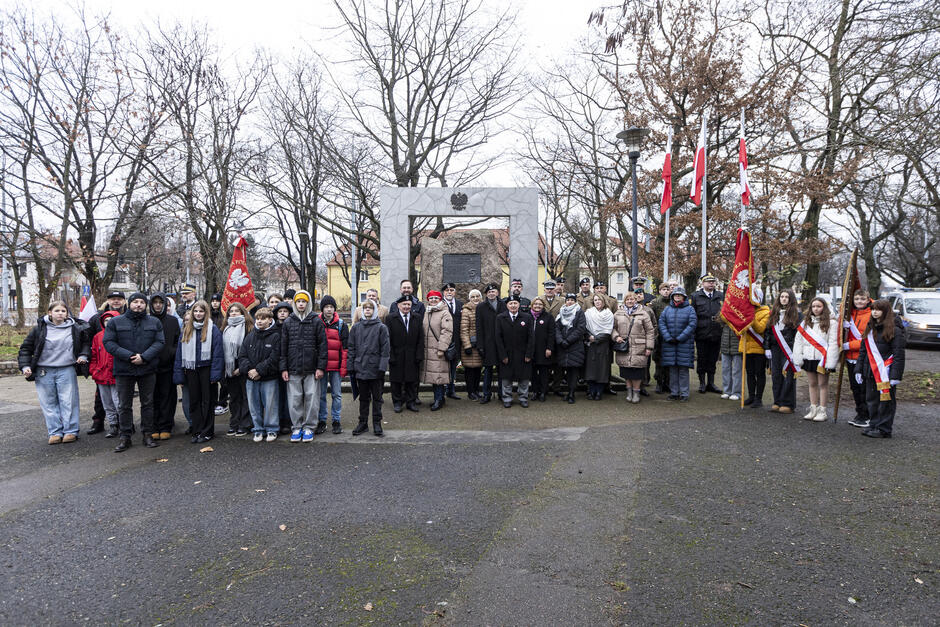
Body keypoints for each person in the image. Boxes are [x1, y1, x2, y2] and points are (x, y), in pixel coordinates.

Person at [18, 301, 91, 444]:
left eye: (63, 311)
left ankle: (70, 431)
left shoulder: (75, 328)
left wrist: (83, 355)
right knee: (48, 402)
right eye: (57, 311)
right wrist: (25, 366)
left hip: (66, 368)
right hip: (44, 370)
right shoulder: (39, 329)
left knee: (68, 401)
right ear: (50, 313)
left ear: (67, 314)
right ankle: (55, 432)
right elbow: (26, 349)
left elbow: (86, 344)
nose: (60, 314)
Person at [104, 292, 166, 451]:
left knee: (147, 403)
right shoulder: (116, 322)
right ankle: (125, 436)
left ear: (146, 305)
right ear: (129, 303)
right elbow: (109, 343)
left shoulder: (154, 322)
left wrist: (144, 357)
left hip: (147, 368)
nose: (138, 305)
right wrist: (130, 356)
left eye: (142, 302)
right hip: (124, 369)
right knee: (124, 405)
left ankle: (147, 434)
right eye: (135, 302)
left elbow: (160, 342)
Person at [280, 290, 328, 442]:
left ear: (308, 303)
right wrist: (284, 368)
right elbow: (283, 347)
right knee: (294, 399)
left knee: (312, 399)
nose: (301, 304)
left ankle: (309, 427)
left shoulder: (316, 321)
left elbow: (322, 346)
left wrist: (320, 367)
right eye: (298, 301)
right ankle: (297, 427)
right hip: (293, 368)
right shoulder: (289, 322)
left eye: (304, 301)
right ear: (294, 303)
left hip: (311, 368)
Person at [174, 300, 224, 443]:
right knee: (194, 401)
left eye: (201, 311)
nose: (198, 314)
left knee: (207, 402)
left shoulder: (213, 329)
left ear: (206, 312)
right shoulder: (186, 329)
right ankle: (196, 430)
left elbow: (218, 352)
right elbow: (179, 353)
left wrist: (216, 373)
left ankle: (207, 431)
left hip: (207, 368)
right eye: (195, 311)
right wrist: (179, 374)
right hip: (190, 369)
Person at [855, 300, 905, 438]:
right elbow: (863, 351)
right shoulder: (870, 327)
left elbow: (899, 354)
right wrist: (858, 369)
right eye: (873, 309)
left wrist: (896, 375)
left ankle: (884, 428)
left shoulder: (895, 329)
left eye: (878, 309)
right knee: (872, 400)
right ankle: (874, 424)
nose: (874, 312)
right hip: (870, 371)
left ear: (885, 311)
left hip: (886, 372)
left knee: (886, 402)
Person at [86, 290, 127, 435]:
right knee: (102, 400)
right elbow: (89, 343)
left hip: (119, 370)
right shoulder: (96, 318)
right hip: (101, 370)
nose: (116, 301)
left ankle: (125, 425)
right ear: (108, 301)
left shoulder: (128, 315)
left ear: (124, 301)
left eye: (119, 299)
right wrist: (93, 369)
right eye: (113, 299)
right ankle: (99, 422)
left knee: (120, 400)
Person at [238, 307, 281, 442]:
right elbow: (242, 356)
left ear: (270, 320)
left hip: (269, 377)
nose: (260, 321)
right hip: (251, 378)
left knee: (270, 405)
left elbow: (274, 358)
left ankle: (272, 429)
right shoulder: (250, 336)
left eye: (263, 319)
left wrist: (259, 371)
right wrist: (250, 370)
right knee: (254, 405)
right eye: (258, 319)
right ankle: (258, 429)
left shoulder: (276, 336)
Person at [347, 299, 390, 436]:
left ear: (375, 310)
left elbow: (385, 349)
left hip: (376, 369)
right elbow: (351, 348)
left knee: (377, 398)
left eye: (370, 308)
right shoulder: (356, 328)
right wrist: (351, 366)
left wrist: (382, 367)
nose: (367, 310)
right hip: (361, 368)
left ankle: (377, 423)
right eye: (365, 308)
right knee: (363, 398)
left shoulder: (381, 328)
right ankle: (363, 423)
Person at [793, 296, 839, 421]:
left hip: (822, 359)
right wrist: (798, 356)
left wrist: (830, 362)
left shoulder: (832, 323)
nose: (816, 309)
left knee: (822, 384)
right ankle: (813, 409)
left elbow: (833, 342)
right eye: (813, 306)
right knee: (812, 384)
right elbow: (799, 341)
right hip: (809, 358)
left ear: (824, 307)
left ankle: (822, 410)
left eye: (819, 306)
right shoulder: (806, 323)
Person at [150, 292, 181, 440]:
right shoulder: (147, 320)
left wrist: (170, 352)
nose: (157, 305)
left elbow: (177, 341)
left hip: (167, 365)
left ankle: (165, 425)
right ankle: (154, 426)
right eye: (155, 302)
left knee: (167, 397)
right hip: (149, 365)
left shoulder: (172, 321)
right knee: (151, 397)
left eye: (160, 302)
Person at [613, 291, 655, 403]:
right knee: (626, 371)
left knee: (637, 372)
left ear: (636, 300)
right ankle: (629, 392)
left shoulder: (643, 313)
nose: (630, 301)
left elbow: (650, 331)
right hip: (624, 347)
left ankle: (636, 393)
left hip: (639, 347)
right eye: (627, 299)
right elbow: (612, 328)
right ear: (624, 301)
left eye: (632, 299)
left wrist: (649, 347)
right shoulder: (618, 313)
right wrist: (616, 337)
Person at [765, 289, 801, 414]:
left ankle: (788, 403)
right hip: (774, 349)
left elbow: (798, 334)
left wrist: (795, 350)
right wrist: (767, 347)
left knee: (788, 375)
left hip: (789, 349)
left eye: (786, 297)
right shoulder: (773, 313)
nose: (784, 299)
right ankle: (777, 401)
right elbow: (767, 332)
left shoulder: (797, 314)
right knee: (776, 375)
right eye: (782, 297)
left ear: (791, 299)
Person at [495, 296, 535, 407]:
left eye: (515, 303)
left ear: (519, 305)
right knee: (506, 378)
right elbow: (498, 338)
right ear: (507, 305)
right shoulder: (500, 318)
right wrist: (502, 355)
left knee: (524, 378)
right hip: (507, 354)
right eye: (511, 303)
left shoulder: (526, 317)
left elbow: (531, 337)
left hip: (523, 354)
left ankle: (523, 398)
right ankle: (507, 398)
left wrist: (528, 354)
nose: (513, 305)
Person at [658, 287, 697, 402]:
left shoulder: (690, 309)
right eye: (676, 295)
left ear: (684, 297)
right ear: (672, 297)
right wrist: (668, 337)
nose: (678, 297)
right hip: (669, 344)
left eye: (680, 295)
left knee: (683, 370)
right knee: (673, 370)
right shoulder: (667, 309)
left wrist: (680, 338)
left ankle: (684, 393)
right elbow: (662, 323)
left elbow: (692, 324)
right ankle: (674, 392)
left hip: (684, 344)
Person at [317, 295, 348, 434]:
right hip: (321, 366)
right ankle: (322, 420)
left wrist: (343, 367)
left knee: (337, 394)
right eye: (326, 307)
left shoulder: (341, 324)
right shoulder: (316, 323)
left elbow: (345, 348)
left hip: (336, 366)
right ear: (322, 308)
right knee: (321, 394)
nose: (329, 309)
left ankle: (336, 420)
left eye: (331, 307)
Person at [387, 296, 423, 412]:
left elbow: (420, 338)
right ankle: (397, 402)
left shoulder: (417, 317)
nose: (407, 307)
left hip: (412, 355)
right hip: (396, 355)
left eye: (408, 304)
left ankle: (411, 402)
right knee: (396, 381)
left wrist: (419, 355)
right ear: (398, 305)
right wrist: (390, 355)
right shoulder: (391, 318)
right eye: (404, 304)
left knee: (411, 380)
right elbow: (388, 339)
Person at [222, 302, 253, 436]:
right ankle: (234, 423)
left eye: (237, 311)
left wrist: (241, 368)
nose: (233, 313)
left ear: (243, 313)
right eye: (231, 311)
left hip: (243, 368)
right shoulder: (225, 328)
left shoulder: (249, 328)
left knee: (245, 397)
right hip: (229, 369)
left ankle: (245, 424)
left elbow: (251, 351)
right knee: (234, 397)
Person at [844, 289, 874, 428]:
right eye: (856, 299)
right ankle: (860, 413)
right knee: (854, 387)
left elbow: (868, 339)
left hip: (864, 357)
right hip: (850, 357)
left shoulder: (872, 315)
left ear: (868, 300)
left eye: (862, 299)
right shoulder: (849, 314)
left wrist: (848, 345)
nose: (859, 302)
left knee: (864, 387)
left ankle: (867, 415)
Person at [691, 274, 725, 394]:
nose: (711, 284)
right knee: (702, 358)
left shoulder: (720, 296)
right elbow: (692, 315)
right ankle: (702, 383)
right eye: (708, 282)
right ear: (702, 283)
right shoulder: (696, 296)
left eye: (713, 281)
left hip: (716, 331)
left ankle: (711, 383)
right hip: (702, 332)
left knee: (713, 359)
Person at [739, 286, 771, 409]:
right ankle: (751, 396)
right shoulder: (744, 311)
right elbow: (739, 330)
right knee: (749, 373)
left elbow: (760, 329)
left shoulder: (766, 312)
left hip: (759, 348)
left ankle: (759, 398)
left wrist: (750, 316)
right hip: (746, 347)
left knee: (759, 373)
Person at [421, 290, 454, 411]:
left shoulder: (445, 313)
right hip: (428, 350)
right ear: (428, 300)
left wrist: (442, 348)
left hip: (438, 350)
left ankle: (438, 400)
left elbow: (447, 332)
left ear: (440, 299)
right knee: (434, 377)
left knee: (439, 377)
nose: (433, 300)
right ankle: (439, 398)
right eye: (431, 298)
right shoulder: (427, 312)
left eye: (436, 298)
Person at [475, 283, 507, 404]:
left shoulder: (504, 305)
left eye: (493, 291)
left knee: (501, 371)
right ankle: (486, 394)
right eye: (489, 292)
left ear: (497, 293)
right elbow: (479, 327)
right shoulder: (481, 307)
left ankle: (501, 394)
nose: (491, 293)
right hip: (487, 344)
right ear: (486, 294)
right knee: (487, 371)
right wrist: (480, 345)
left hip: (501, 344)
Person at [90, 311, 120, 438]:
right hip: (101, 375)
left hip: (116, 375)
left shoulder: (121, 335)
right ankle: (113, 425)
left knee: (118, 402)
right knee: (107, 403)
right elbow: (94, 356)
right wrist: (94, 370)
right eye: (106, 321)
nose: (108, 323)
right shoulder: (98, 337)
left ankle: (125, 424)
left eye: (111, 320)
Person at [555, 293, 587, 404]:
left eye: (572, 300)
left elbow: (580, 329)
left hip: (575, 346)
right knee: (565, 370)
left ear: (575, 302)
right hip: (562, 346)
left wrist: (568, 341)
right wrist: (560, 340)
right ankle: (567, 391)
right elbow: (557, 328)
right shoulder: (561, 312)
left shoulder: (579, 313)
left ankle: (572, 393)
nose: (569, 302)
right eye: (567, 300)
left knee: (573, 371)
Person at [583, 294, 615, 400]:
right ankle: (591, 391)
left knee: (602, 368)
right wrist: (589, 336)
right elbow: (584, 326)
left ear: (603, 301)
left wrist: (596, 338)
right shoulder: (589, 312)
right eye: (595, 300)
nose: (597, 302)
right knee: (591, 369)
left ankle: (599, 392)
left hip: (603, 344)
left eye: (599, 300)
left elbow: (608, 330)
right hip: (590, 345)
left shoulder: (608, 314)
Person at [272, 300, 294, 434]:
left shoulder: (292, 327)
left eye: (285, 311)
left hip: (287, 365)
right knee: (276, 396)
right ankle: (278, 420)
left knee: (287, 395)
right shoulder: (273, 328)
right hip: (274, 366)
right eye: (280, 311)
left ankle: (287, 420)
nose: (282, 314)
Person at [529, 297, 555, 401]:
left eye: (540, 304)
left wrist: (549, 348)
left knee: (544, 372)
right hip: (531, 350)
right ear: (532, 305)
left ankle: (543, 392)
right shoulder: (527, 317)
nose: (537, 306)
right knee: (533, 372)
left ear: (543, 306)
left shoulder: (548, 317)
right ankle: (535, 391)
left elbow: (551, 334)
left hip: (543, 349)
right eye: (535, 304)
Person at [460, 289, 484, 400]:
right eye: (473, 297)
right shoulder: (466, 310)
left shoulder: (483, 308)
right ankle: (471, 392)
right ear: (469, 298)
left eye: (477, 296)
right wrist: (467, 345)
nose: (475, 299)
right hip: (470, 345)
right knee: (470, 370)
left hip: (480, 345)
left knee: (478, 370)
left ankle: (476, 390)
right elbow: (464, 329)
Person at [649, 282, 673, 394]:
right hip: (658, 336)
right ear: (659, 291)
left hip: (670, 335)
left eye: (667, 289)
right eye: (663, 289)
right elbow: (651, 320)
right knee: (658, 360)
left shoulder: (673, 302)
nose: (666, 291)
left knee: (668, 361)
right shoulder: (655, 303)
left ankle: (667, 383)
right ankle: (659, 382)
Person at [441, 283, 463, 399]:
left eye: (451, 290)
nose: (449, 292)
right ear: (443, 293)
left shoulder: (460, 304)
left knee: (453, 367)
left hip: (457, 341)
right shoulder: (440, 304)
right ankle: (443, 390)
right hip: (445, 341)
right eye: (447, 290)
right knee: (444, 367)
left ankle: (451, 390)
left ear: (455, 292)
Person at [719, 320, 742, 401]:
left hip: (737, 344)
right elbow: (720, 321)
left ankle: (736, 392)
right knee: (725, 369)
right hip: (725, 343)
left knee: (737, 371)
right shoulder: (725, 308)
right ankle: (727, 391)